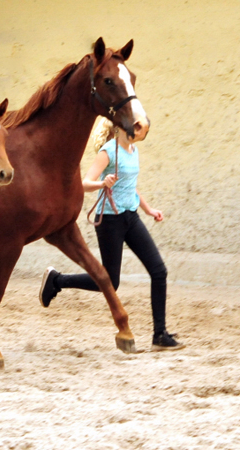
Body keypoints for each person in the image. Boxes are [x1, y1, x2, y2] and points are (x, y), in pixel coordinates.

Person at [39, 118, 184, 351]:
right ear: (124, 125)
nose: (138, 132)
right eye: (137, 127)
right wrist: (102, 183)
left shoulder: (133, 150)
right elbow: (83, 183)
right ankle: (57, 280)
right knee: (111, 282)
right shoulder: (108, 151)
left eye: (142, 131)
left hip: (131, 217)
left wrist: (148, 209)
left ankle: (160, 334)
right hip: (109, 220)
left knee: (159, 271)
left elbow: (130, 184)